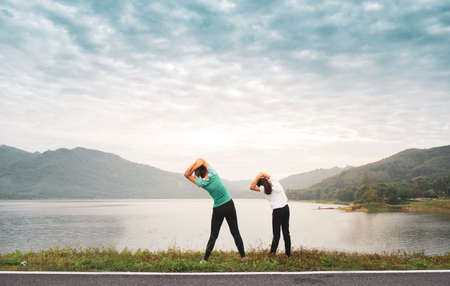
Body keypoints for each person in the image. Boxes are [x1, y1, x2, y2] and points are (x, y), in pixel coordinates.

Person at [184, 158, 246, 262]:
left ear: (199, 173)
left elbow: (186, 174)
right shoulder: (214, 174)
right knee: (235, 232)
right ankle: (243, 257)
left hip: (218, 208)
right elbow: (201, 160)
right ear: (205, 169)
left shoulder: (201, 183)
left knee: (214, 235)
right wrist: (197, 164)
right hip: (229, 204)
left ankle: (205, 259)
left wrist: (192, 169)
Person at [250, 172, 291, 257]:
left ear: (261, 185)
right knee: (286, 232)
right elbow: (262, 173)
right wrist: (260, 175)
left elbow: (252, 187)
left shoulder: (263, 189)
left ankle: (272, 254)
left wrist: (257, 179)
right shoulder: (275, 182)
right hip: (286, 209)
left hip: (277, 211)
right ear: (267, 180)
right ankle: (288, 255)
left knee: (276, 235)